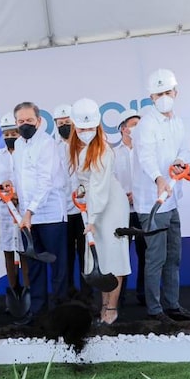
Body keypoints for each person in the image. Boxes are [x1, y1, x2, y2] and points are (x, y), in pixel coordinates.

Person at [132, 69, 190, 323]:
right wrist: (158, 177)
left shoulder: (178, 122)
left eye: (168, 92)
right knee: (155, 258)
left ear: (176, 92)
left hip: (172, 201)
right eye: (158, 93)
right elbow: (145, 156)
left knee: (174, 256)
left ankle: (172, 305)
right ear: (151, 96)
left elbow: (184, 147)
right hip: (151, 202)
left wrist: (180, 161)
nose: (164, 97)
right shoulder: (146, 124)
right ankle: (155, 310)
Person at [69, 98, 131, 325]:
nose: (86, 132)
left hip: (110, 207)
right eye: (82, 128)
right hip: (94, 206)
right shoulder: (77, 149)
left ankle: (111, 307)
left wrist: (92, 219)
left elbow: (100, 187)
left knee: (114, 255)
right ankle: (103, 304)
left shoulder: (103, 149)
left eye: (90, 127)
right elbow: (87, 183)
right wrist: (81, 193)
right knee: (101, 259)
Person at [5, 102, 68, 323]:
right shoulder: (19, 146)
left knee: (57, 266)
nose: (25, 125)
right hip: (27, 217)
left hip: (50, 214)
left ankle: (61, 312)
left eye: (29, 121)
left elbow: (45, 182)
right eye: (20, 121)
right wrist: (11, 188)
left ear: (39, 121)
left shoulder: (47, 144)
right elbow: (21, 179)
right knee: (33, 265)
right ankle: (39, 311)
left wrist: (29, 211)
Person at [0, 113, 29, 301]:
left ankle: (29, 291)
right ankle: (13, 291)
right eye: (6, 134)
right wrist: (2, 190)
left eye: (13, 133)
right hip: (4, 211)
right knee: (8, 251)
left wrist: (18, 195)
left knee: (25, 252)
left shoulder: (27, 153)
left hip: (25, 210)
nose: (10, 137)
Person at [55, 104, 91, 303]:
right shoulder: (52, 148)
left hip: (85, 209)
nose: (64, 126)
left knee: (86, 256)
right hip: (62, 212)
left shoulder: (85, 145)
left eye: (67, 123)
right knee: (66, 257)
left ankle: (87, 298)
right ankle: (68, 297)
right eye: (60, 123)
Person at [114, 108, 146, 306]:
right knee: (120, 255)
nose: (137, 129)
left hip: (143, 209)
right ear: (124, 129)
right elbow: (110, 181)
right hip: (122, 212)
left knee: (146, 254)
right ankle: (120, 296)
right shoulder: (113, 154)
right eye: (134, 125)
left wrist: (139, 194)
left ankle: (144, 294)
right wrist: (121, 196)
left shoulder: (145, 152)